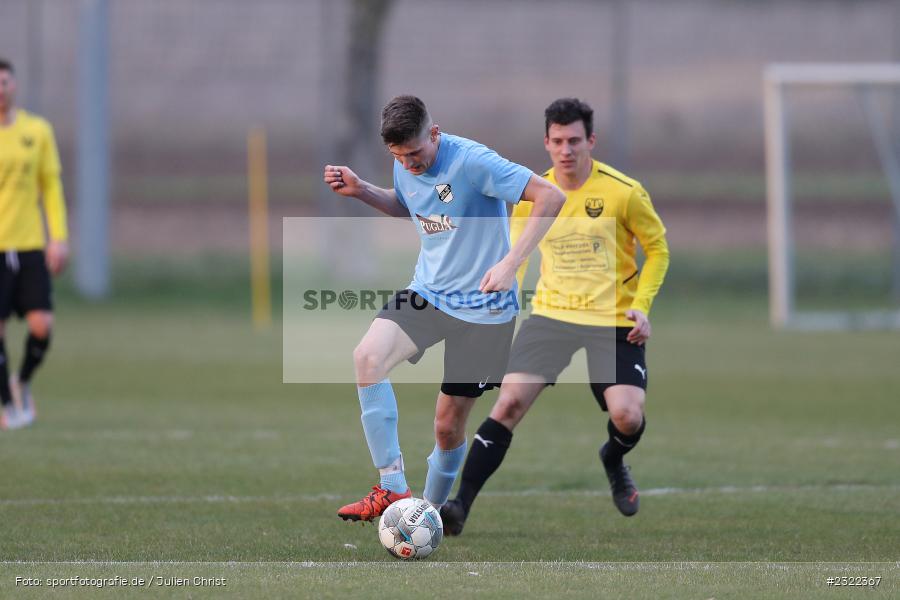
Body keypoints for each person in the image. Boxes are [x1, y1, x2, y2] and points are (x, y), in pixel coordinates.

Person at [322, 95, 564, 521]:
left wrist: (511, 263)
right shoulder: (404, 160)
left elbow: (551, 197)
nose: (410, 164)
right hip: (430, 293)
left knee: (447, 427)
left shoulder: (473, 161)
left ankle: (425, 516)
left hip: (485, 309)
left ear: (435, 132)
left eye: (416, 154)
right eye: (400, 157)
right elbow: (410, 206)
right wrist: (362, 191)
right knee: (367, 357)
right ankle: (392, 488)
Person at [440, 98, 670, 534]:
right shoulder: (535, 195)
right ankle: (459, 507)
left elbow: (657, 249)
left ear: (591, 141)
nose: (566, 150)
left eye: (575, 141)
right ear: (546, 142)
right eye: (558, 141)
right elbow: (516, 256)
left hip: (614, 320)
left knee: (627, 417)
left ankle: (613, 456)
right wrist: (503, 293)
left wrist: (643, 303)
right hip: (551, 316)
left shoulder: (624, 192)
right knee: (507, 403)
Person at [0, 58, 69, 430]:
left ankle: (21, 381)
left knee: (41, 324)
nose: (0, 89)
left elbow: (52, 188)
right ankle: (8, 407)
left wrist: (58, 237)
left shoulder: (37, 131)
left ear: (15, 86)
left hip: (28, 245)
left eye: (5, 81)